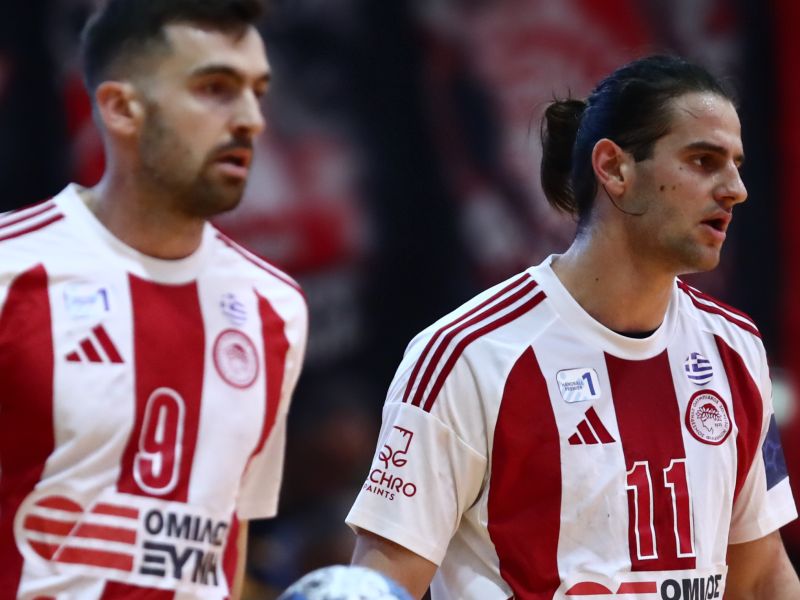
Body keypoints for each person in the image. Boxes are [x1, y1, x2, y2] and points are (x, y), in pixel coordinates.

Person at [345, 55, 800, 599]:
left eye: (737, 165)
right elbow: (379, 586)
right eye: (704, 161)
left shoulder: (736, 350)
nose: (736, 189)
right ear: (614, 168)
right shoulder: (468, 355)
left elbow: (759, 577)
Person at [0, 0, 308, 598]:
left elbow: (224, 538)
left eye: (257, 92)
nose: (251, 120)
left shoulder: (277, 308)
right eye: (216, 89)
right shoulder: (12, 273)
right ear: (121, 108)